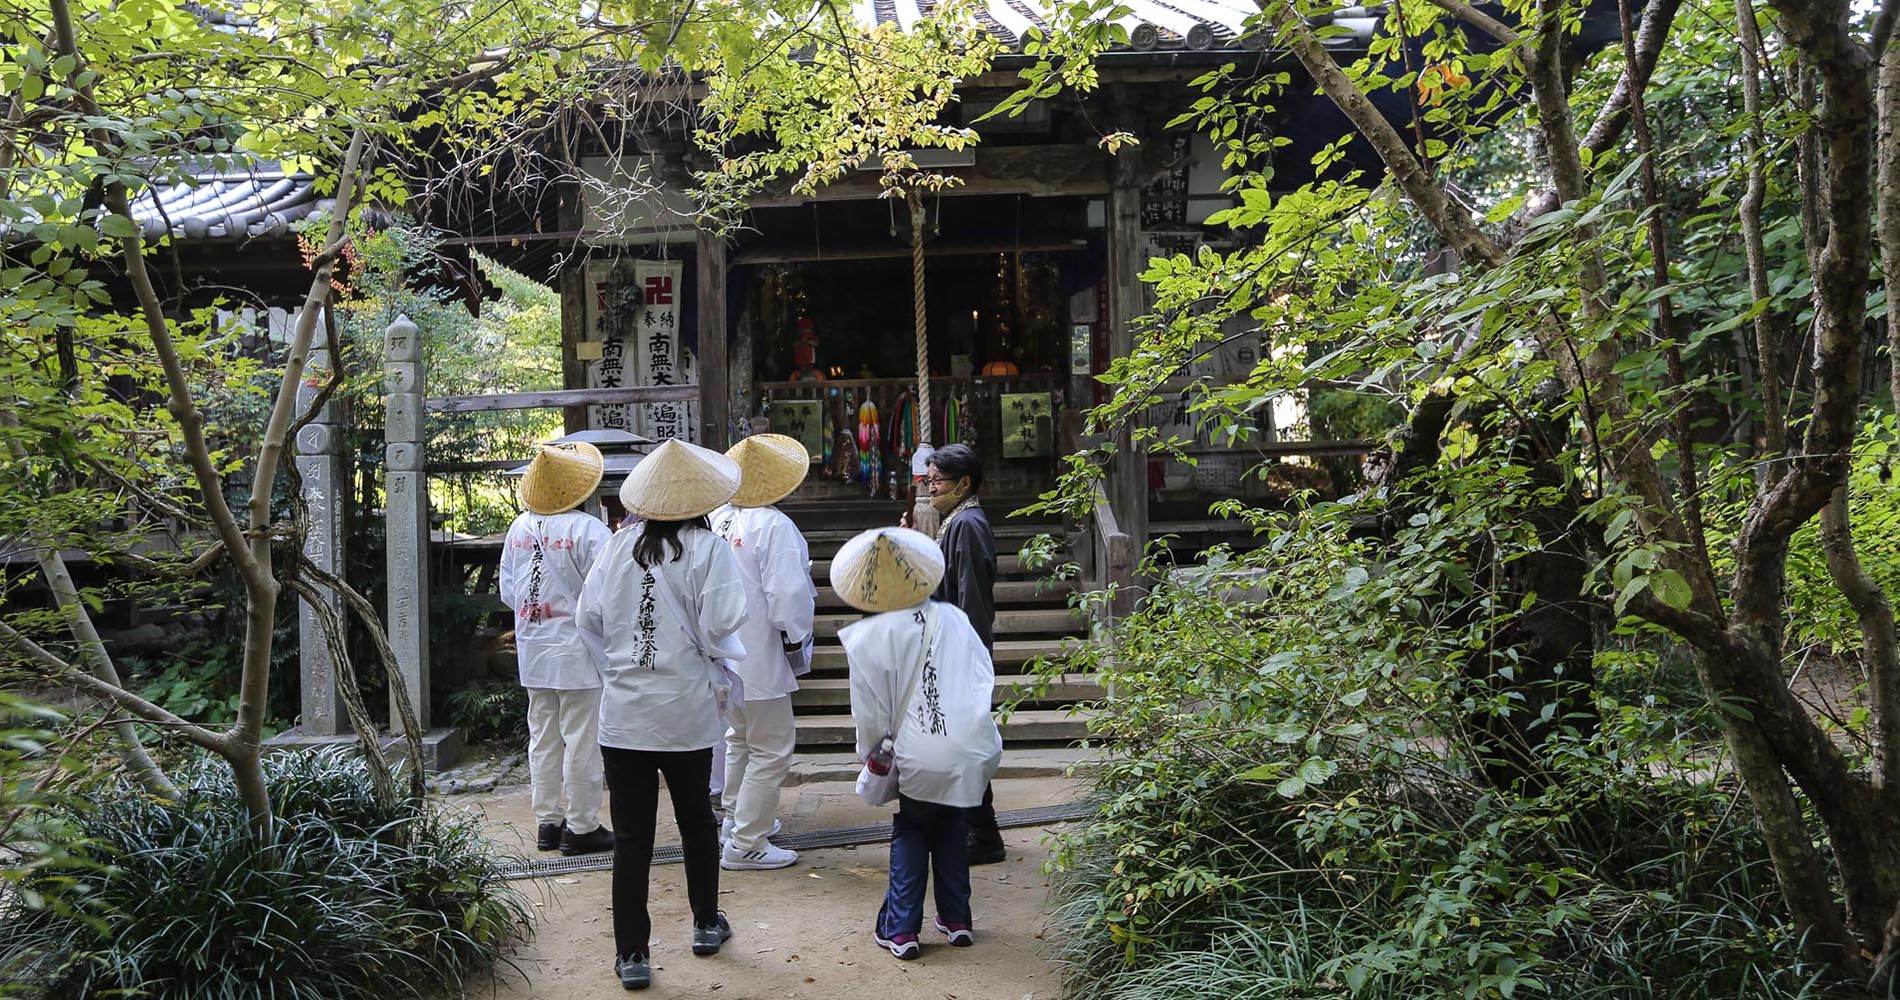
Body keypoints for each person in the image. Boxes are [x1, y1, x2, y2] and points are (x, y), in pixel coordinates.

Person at [576, 438, 747, 991]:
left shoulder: (615, 547)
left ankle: (632, 955)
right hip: (686, 711)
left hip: (624, 715)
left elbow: (589, 621)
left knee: (632, 839)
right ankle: (704, 924)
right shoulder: (710, 549)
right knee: (697, 819)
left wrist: (618, 670)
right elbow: (722, 626)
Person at [833, 527, 1002, 961]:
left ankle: (903, 927)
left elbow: (868, 717)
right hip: (967, 745)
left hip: (915, 751)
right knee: (951, 824)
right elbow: (981, 679)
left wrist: (872, 754)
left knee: (912, 827)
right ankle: (957, 919)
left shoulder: (867, 638)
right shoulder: (957, 619)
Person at [497, 442, 614, 857]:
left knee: (542, 737)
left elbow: (509, 593)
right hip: (578, 651)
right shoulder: (590, 531)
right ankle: (582, 826)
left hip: (535, 647)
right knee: (581, 739)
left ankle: (547, 822)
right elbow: (606, 598)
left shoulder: (519, 528)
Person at [710, 433, 816, 871]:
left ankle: (736, 819)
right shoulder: (773, 525)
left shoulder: (717, 518)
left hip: (722, 648)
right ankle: (747, 841)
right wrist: (796, 637)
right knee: (771, 746)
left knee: (740, 739)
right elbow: (789, 594)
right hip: (760, 650)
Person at [916, 443, 1007, 864]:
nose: (930, 487)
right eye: (928, 480)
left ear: (964, 483)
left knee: (965, 740)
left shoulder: (967, 524)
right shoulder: (955, 520)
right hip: (952, 644)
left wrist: (961, 651)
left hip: (961, 646)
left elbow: (970, 597)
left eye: (938, 481)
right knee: (958, 739)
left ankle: (982, 833)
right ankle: (973, 826)